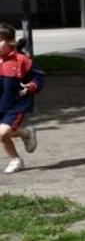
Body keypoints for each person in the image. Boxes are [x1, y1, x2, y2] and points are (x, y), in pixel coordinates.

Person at [0, 23, 42, 174]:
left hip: (16, 103)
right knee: (2, 133)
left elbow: (38, 78)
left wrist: (30, 87)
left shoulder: (22, 60)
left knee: (3, 133)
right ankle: (26, 134)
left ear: (11, 42)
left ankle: (15, 160)